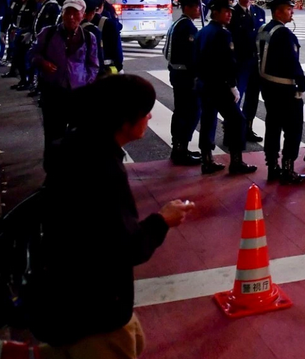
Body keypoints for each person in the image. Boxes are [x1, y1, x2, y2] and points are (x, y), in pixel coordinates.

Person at [31, 75, 195, 357]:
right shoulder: (102, 169)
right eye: (145, 112)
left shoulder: (76, 145)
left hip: (67, 293)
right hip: (96, 307)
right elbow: (126, 247)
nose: (149, 117)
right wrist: (162, 220)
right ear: (124, 121)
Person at [195, 0, 255, 176]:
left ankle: (207, 159)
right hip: (219, 85)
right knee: (237, 121)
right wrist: (232, 85)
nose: (230, 15)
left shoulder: (203, 32)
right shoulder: (222, 33)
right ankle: (236, 161)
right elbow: (227, 62)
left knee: (208, 120)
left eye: (230, 11)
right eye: (226, 11)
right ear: (215, 13)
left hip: (205, 84)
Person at [30, 0, 101, 147]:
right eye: (67, 12)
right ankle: (53, 168)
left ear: (82, 15)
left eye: (75, 13)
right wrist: (42, 62)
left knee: (77, 136)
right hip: (53, 93)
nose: (71, 17)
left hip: (78, 95)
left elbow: (93, 65)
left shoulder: (89, 37)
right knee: (53, 135)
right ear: (61, 14)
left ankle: (71, 168)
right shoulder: (48, 33)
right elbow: (33, 54)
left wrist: (84, 81)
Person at [256, 0, 305, 184]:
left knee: (273, 127)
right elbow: (292, 62)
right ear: (278, 11)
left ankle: (272, 166)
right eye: (288, 9)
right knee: (293, 128)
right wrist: (301, 83)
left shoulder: (263, 29)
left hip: (268, 85)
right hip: (285, 87)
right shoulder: (285, 34)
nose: (291, 12)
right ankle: (288, 168)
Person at [163, 0, 203, 166]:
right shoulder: (187, 27)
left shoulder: (177, 24)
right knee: (190, 112)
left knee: (181, 110)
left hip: (177, 73)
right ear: (187, 7)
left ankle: (179, 147)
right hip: (186, 75)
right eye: (196, 7)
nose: (199, 10)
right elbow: (193, 56)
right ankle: (181, 147)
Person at [229, 0, 266, 144]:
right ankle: (232, 130)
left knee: (252, 98)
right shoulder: (231, 13)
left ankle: (248, 128)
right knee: (236, 97)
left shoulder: (259, 12)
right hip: (239, 62)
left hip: (255, 62)